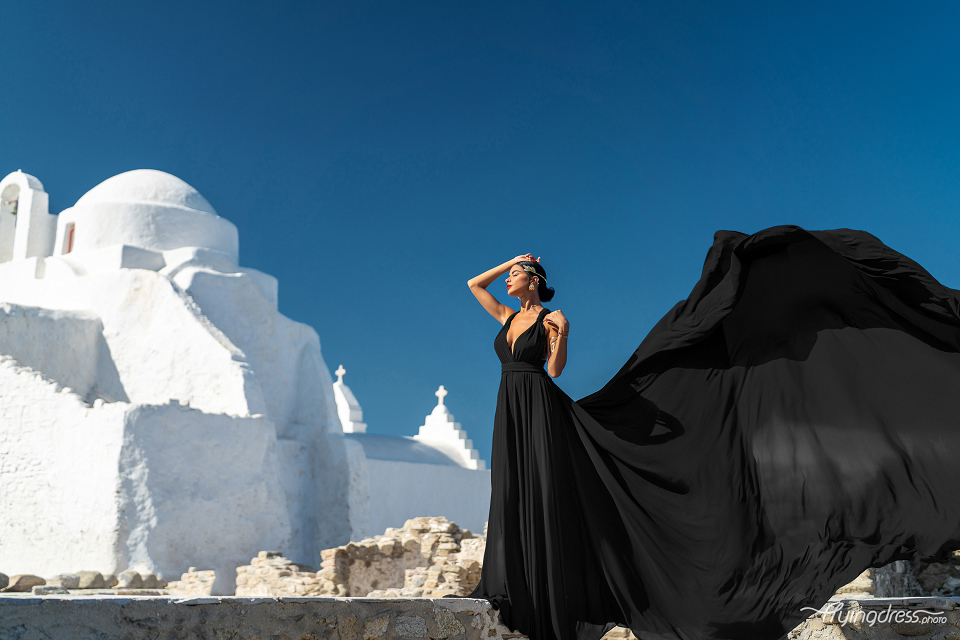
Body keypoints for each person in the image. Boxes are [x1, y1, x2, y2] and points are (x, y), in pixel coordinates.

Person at [455, 225, 960, 640]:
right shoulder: (506, 317)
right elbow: (476, 284)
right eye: (512, 274)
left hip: (540, 407)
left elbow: (558, 372)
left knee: (544, 491)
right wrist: (509, 260)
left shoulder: (550, 319)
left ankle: (550, 596)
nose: (509, 281)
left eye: (518, 274)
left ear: (537, 281)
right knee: (513, 491)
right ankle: (514, 585)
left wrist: (560, 335)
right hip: (510, 409)